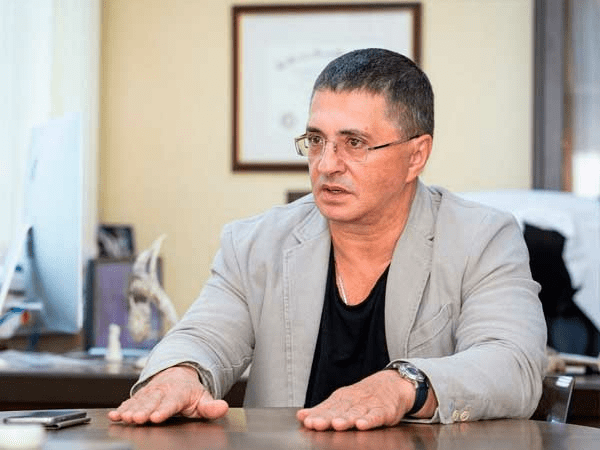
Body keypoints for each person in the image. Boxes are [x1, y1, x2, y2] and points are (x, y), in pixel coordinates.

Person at [109, 48, 547, 430]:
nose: (326, 164)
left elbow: (513, 365)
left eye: (354, 142)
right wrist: (179, 374)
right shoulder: (254, 243)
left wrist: (402, 386)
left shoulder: (482, 238)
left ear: (416, 155)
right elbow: (203, 337)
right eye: (316, 140)